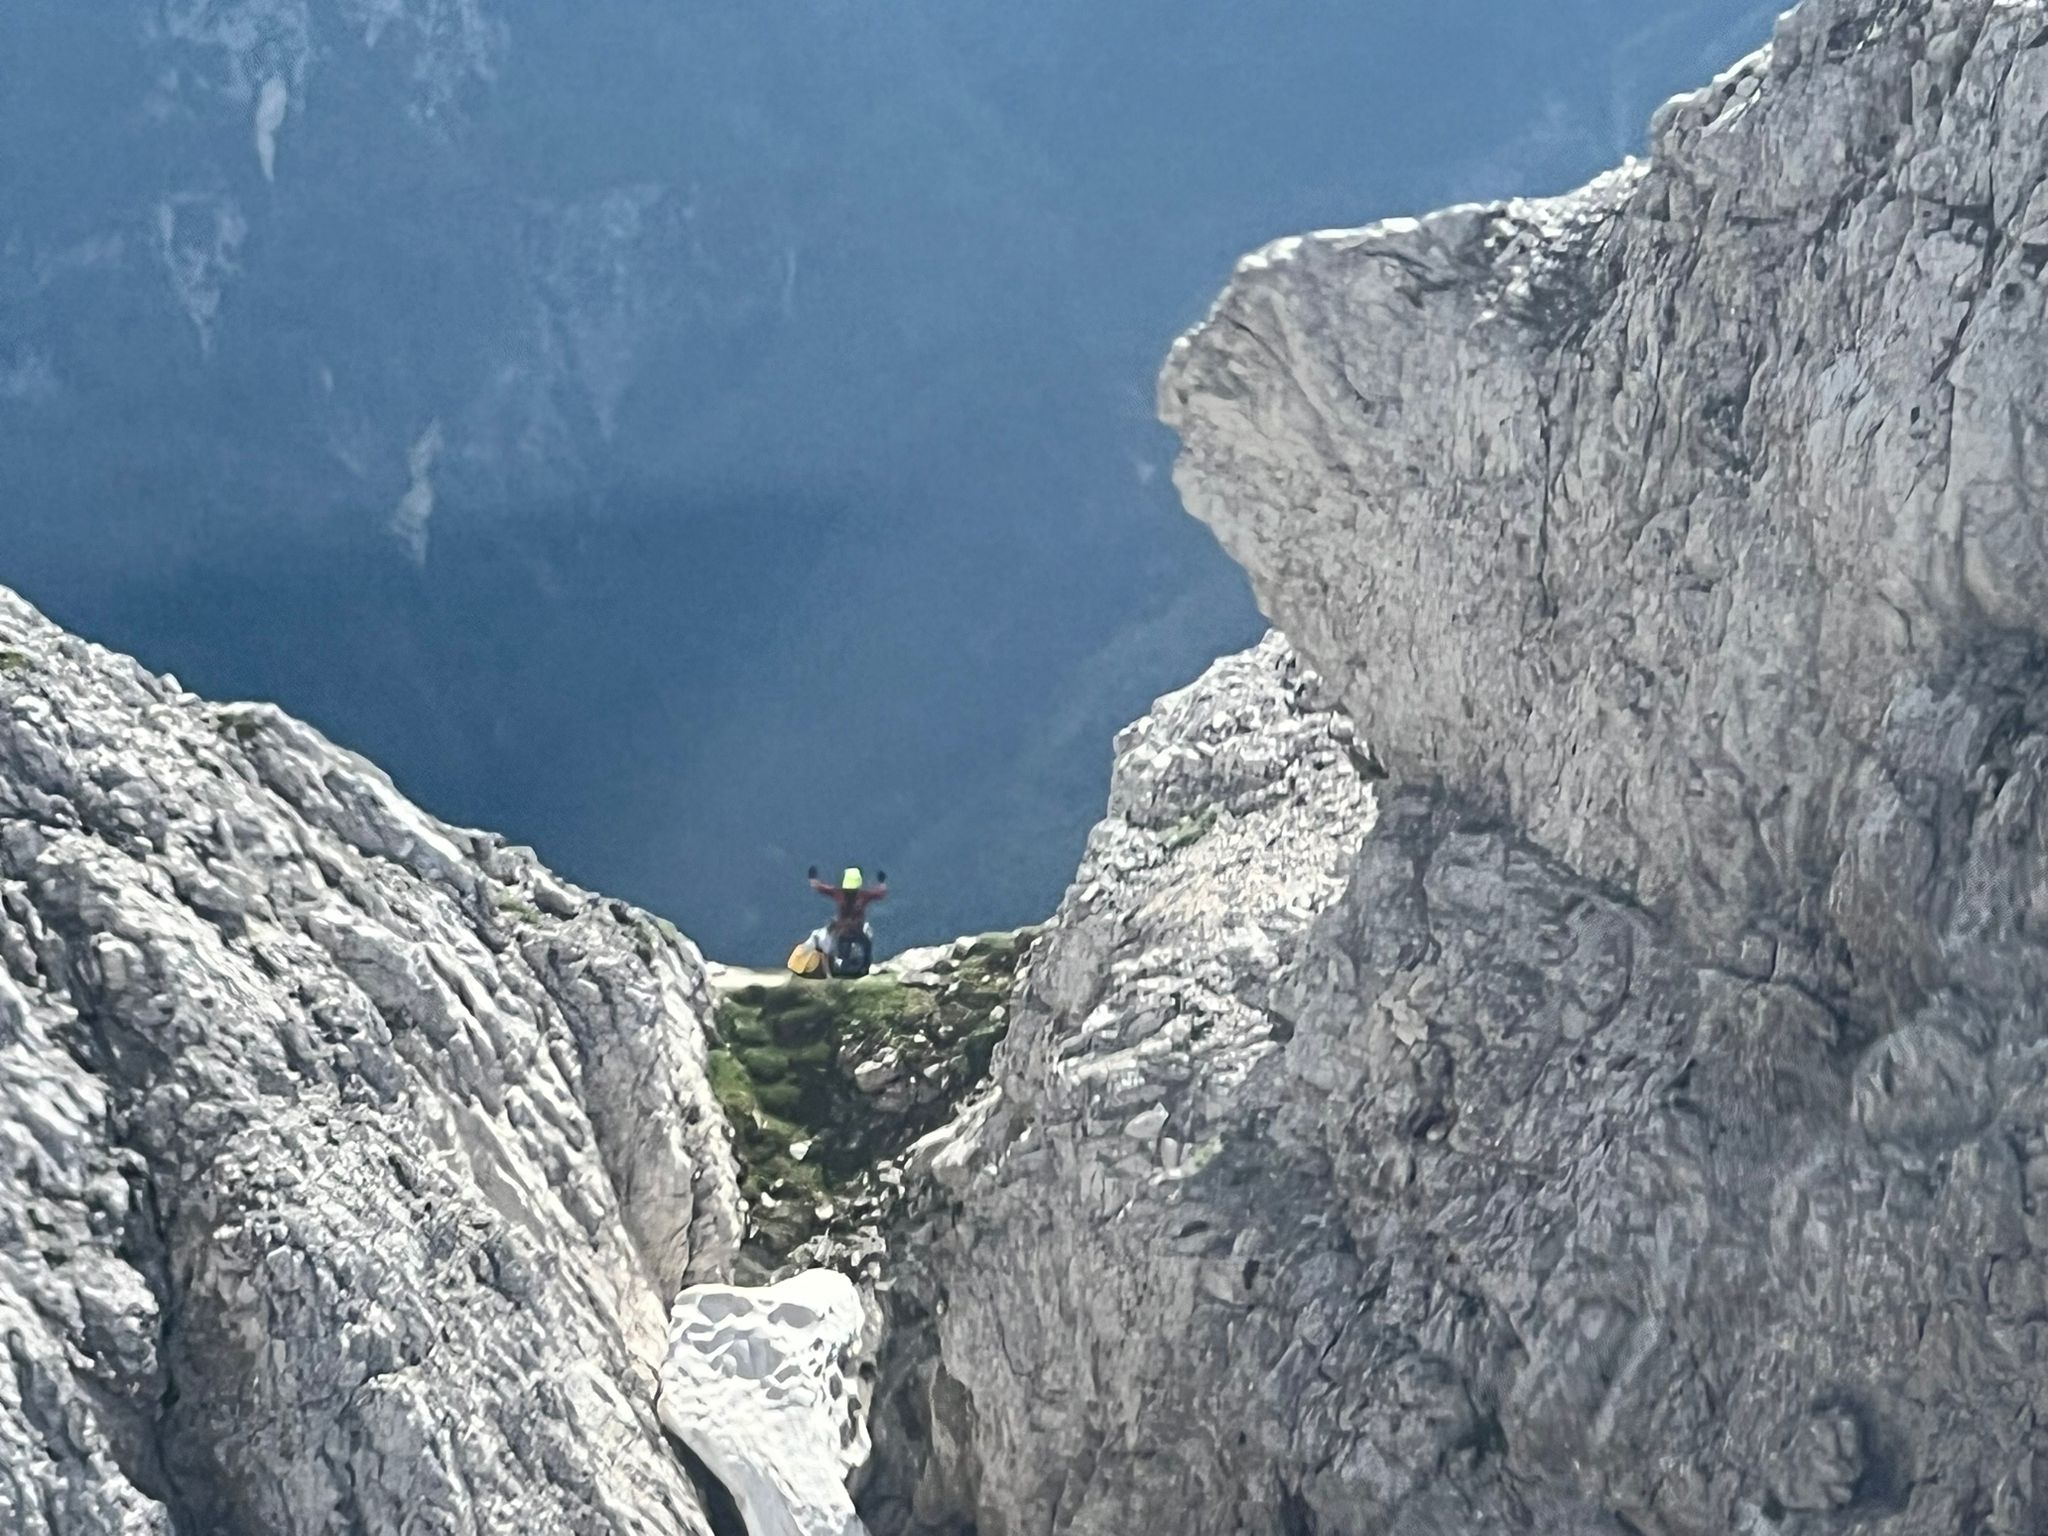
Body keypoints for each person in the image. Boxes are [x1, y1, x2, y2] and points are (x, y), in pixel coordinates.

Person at [806, 865, 887, 976]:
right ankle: (864, 969)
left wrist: (812, 878)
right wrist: (882, 882)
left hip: (842, 932)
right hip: (858, 931)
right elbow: (880, 893)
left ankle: (833, 972)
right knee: (867, 945)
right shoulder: (863, 896)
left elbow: (820, 887)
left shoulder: (838, 894)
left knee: (834, 950)